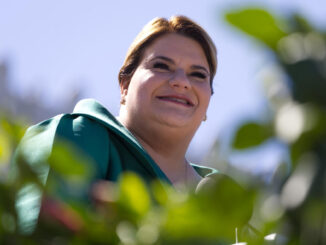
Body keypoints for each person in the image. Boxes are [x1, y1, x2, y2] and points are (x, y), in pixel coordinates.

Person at [12, 15, 218, 233]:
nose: (181, 82)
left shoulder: (224, 198)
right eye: (161, 66)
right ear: (125, 85)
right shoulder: (77, 135)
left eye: (197, 75)